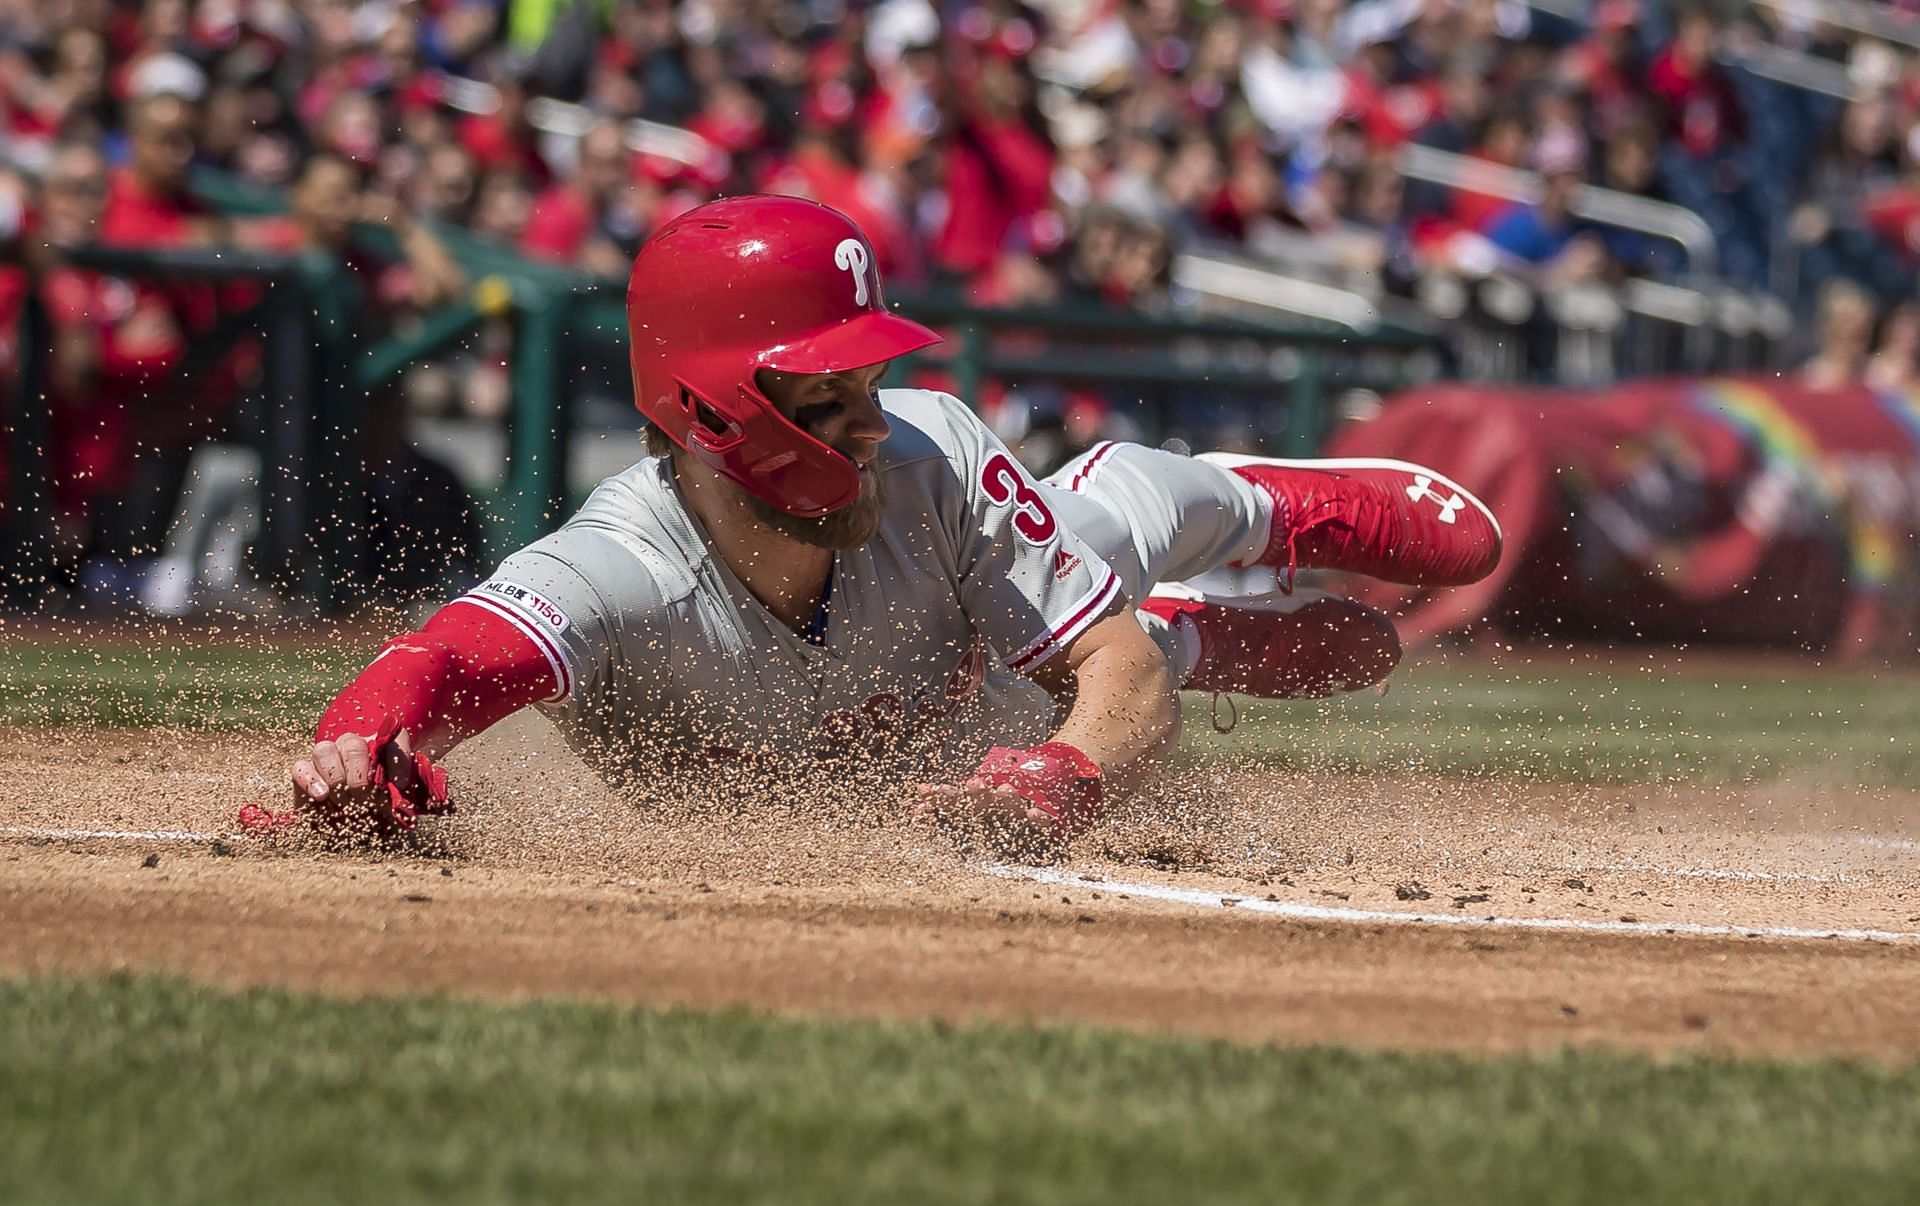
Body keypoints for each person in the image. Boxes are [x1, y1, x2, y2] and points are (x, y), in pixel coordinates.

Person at [255, 196, 1501, 850]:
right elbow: (448, 657)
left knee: (1105, 534)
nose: (869, 419)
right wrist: (358, 753)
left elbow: (1100, 673)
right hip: (937, 742)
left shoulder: (929, 449)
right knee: (1106, 659)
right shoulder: (620, 559)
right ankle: (1202, 639)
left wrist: (1068, 775)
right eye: (827, 393)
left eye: (867, 382)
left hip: (985, 705)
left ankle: (1263, 501)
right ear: (715, 409)